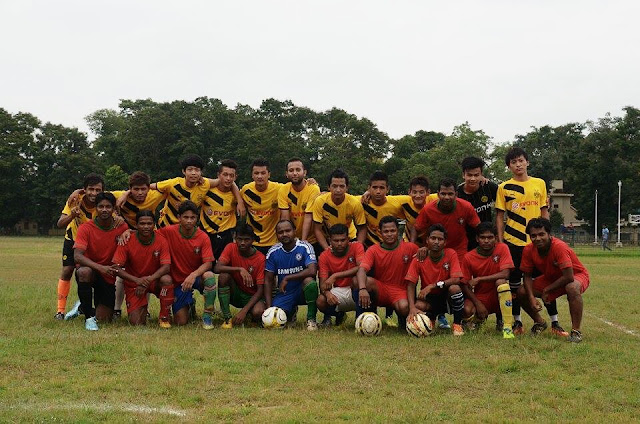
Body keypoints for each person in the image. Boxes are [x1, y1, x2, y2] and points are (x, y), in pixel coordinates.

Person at [495, 147, 567, 337]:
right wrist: (501, 241)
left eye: (520, 160)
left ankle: (555, 323)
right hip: (514, 242)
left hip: (538, 242)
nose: (518, 164)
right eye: (513, 162)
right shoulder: (504, 187)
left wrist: (548, 235)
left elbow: (544, 211)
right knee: (515, 284)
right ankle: (517, 322)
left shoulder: (539, 184)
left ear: (527, 162)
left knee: (545, 282)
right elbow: (500, 216)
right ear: (509, 166)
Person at [413, 178, 480, 330]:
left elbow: (478, 228)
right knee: (435, 286)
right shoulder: (429, 209)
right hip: (435, 252)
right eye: (443, 193)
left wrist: (477, 250)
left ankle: (460, 320)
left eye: (450, 194)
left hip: (459, 251)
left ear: (456, 194)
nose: (447, 197)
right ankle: (434, 315)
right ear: (438, 194)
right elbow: (415, 228)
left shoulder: (466, 207)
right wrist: (417, 246)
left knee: (458, 284)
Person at [516, 218, 589, 343]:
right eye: (533, 235)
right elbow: (527, 275)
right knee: (522, 291)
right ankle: (539, 322)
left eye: (541, 234)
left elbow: (569, 277)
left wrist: (547, 290)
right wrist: (531, 298)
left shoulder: (559, 247)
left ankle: (576, 331)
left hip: (576, 276)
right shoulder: (528, 250)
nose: (537, 238)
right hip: (552, 277)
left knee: (571, 288)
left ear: (549, 234)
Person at [110, 171, 168, 318]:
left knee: (147, 270)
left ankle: (146, 309)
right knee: (121, 273)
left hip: (149, 237)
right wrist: (125, 194)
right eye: (136, 189)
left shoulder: (155, 195)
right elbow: (97, 195)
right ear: (130, 188)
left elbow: (172, 188)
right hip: (127, 238)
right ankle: (117, 309)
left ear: (149, 188)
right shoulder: (118, 195)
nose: (140, 192)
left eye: (143, 189)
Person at [72, 192, 128, 330]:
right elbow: (78, 256)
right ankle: (88, 319)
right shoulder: (85, 228)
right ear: (95, 208)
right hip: (92, 271)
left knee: (104, 318)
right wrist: (100, 268)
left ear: (114, 209)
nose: (104, 210)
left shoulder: (121, 227)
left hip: (107, 276)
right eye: (101, 206)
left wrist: (129, 232)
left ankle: (83, 306)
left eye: (108, 206)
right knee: (84, 271)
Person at [157, 201, 216, 328]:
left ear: (197, 218)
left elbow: (208, 263)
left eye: (192, 217)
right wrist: (127, 232)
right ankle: (190, 305)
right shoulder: (168, 231)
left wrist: (193, 275)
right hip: (178, 282)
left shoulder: (203, 237)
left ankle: (207, 316)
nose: (189, 221)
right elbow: (149, 234)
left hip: (196, 278)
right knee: (181, 321)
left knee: (209, 276)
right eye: (186, 217)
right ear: (179, 218)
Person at [355, 216, 419, 330]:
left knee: (404, 307)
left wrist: (424, 251)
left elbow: (427, 258)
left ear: (398, 231)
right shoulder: (373, 250)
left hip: (401, 291)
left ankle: (402, 321)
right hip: (382, 289)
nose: (389, 234)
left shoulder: (411, 248)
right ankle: (366, 316)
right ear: (380, 232)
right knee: (359, 282)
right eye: (386, 231)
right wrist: (362, 289)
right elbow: (362, 270)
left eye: (392, 231)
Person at [111, 210, 173, 327]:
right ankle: (141, 307)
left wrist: (148, 280)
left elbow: (166, 267)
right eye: (142, 224)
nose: (146, 227)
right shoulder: (127, 240)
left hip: (153, 281)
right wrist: (137, 280)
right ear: (136, 224)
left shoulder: (161, 239)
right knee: (137, 322)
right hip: (134, 284)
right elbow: (116, 268)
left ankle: (164, 317)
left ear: (154, 224)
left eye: (149, 224)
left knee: (167, 280)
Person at [56, 173, 104, 320]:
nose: (94, 193)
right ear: (84, 189)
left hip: (93, 243)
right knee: (67, 270)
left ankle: (85, 306)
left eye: (97, 190)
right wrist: (72, 215)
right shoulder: (75, 200)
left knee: (88, 274)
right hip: (73, 239)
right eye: (91, 189)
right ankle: (60, 311)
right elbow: (60, 223)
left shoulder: (104, 202)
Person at [406, 224, 466, 336]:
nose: (436, 242)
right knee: (419, 305)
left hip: (446, 296)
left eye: (440, 239)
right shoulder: (419, 258)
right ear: (427, 240)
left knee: (455, 289)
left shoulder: (450, 253)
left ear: (445, 242)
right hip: (430, 299)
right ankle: (430, 320)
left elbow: (456, 279)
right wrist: (412, 307)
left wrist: (433, 286)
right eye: (433, 238)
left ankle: (458, 324)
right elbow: (410, 284)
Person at [460, 222, 515, 339]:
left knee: (501, 282)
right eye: (482, 237)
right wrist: (478, 303)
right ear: (477, 239)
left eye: (490, 237)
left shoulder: (502, 248)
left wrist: (480, 279)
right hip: (481, 296)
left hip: (499, 294)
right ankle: (478, 320)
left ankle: (507, 326)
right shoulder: (468, 257)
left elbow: (506, 273)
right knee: (467, 310)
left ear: (495, 238)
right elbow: (465, 284)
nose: (486, 241)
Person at [265, 220, 319, 330]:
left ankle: (311, 319)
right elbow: (268, 280)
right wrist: (269, 308)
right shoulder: (273, 252)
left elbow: (312, 270)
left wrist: (288, 277)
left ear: (294, 231)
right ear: (276, 235)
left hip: (302, 291)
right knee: (276, 321)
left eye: (288, 231)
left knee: (310, 282)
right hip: (285, 292)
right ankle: (291, 311)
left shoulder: (305, 247)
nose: (284, 234)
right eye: (280, 232)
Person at [214, 224, 266, 328]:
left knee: (258, 312)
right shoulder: (230, 247)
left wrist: (243, 311)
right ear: (235, 238)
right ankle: (227, 319)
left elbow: (260, 290)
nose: (242, 243)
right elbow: (217, 268)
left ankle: (251, 317)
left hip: (252, 296)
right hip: (236, 293)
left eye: (246, 240)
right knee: (223, 276)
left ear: (252, 240)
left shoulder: (260, 258)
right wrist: (239, 269)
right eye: (239, 239)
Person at [316, 224, 365, 327]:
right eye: (336, 241)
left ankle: (359, 320)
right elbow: (323, 284)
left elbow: (361, 267)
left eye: (343, 240)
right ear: (330, 240)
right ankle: (339, 315)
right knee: (321, 301)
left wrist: (335, 275)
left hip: (356, 290)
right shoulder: (324, 256)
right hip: (340, 292)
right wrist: (327, 294)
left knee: (357, 280)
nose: (339, 244)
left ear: (348, 239)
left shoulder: (357, 246)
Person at [311, 168, 367, 251]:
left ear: (347, 188)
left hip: (349, 238)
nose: (338, 190)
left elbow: (362, 228)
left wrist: (358, 247)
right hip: (328, 239)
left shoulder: (354, 203)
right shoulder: (320, 201)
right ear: (329, 187)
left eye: (341, 186)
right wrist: (327, 249)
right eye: (334, 186)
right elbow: (317, 229)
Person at [199, 159, 243, 260]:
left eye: (231, 176)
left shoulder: (237, 195)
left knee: (225, 270)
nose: (228, 178)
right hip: (206, 234)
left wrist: (240, 201)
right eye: (225, 174)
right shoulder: (206, 190)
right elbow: (198, 180)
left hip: (226, 237)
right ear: (219, 175)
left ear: (235, 177)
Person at [278, 157, 321, 257]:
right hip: (291, 239)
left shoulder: (313, 188)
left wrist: (303, 242)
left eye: (298, 170)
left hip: (311, 239)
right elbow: (285, 218)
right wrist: (289, 240)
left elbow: (308, 216)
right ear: (286, 174)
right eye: (291, 170)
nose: (295, 173)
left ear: (304, 172)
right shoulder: (284, 190)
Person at [241, 158, 283, 255]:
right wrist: (240, 202)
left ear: (269, 174)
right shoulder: (246, 190)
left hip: (274, 242)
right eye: (256, 173)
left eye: (263, 173)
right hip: (252, 242)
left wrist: (310, 182)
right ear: (252, 175)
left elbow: (297, 188)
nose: (260, 176)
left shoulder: (279, 189)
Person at [457, 156, 499, 250]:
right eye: (469, 175)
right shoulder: (457, 193)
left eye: (476, 175)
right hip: (466, 241)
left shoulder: (489, 187)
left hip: (487, 239)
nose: (473, 179)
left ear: (481, 175)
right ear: (463, 175)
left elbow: (502, 209)